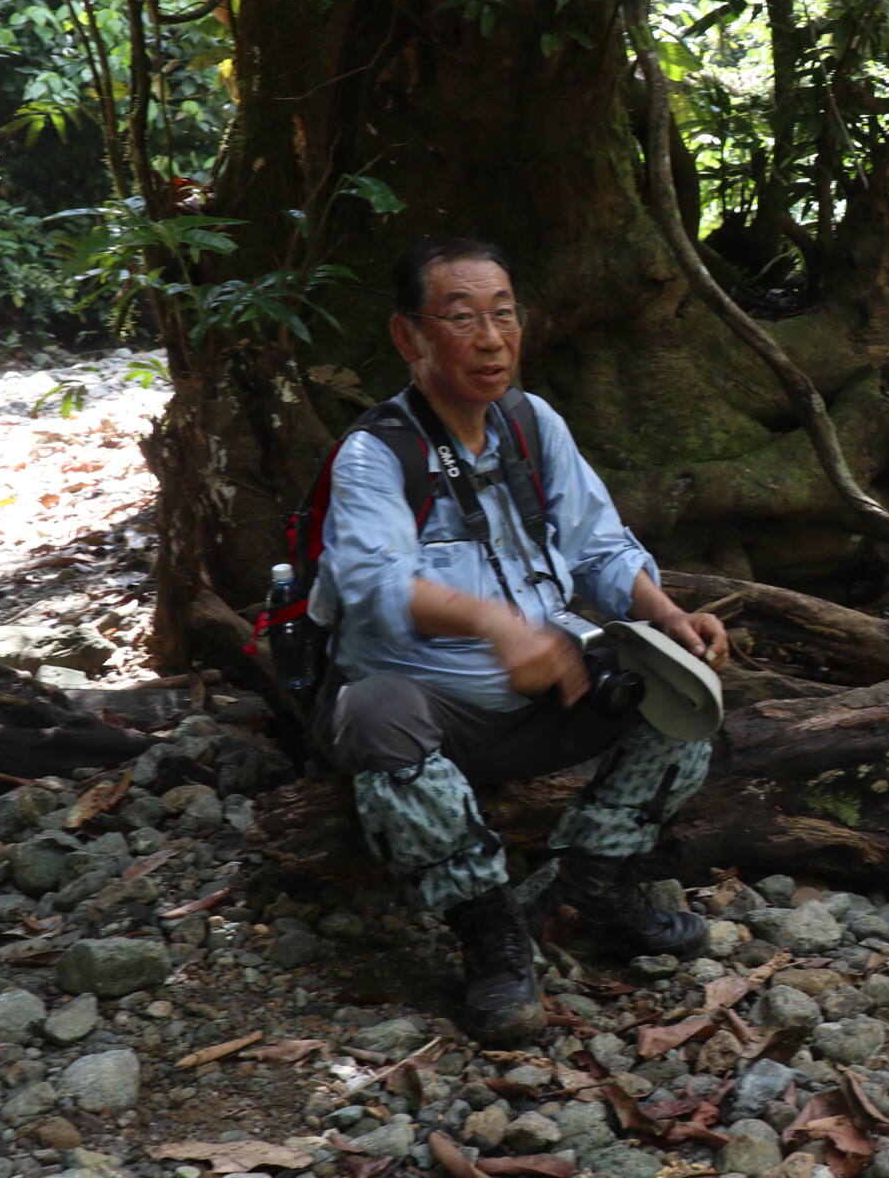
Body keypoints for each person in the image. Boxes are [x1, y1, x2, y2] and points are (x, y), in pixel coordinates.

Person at [312, 235, 729, 1042]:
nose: (491, 338)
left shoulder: (531, 425)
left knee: (684, 684)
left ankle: (597, 877)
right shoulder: (375, 454)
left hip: (552, 690)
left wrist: (667, 615)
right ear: (410, 337)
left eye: (503, 315)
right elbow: (371, 582)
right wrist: (495, 623)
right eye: (461, 317)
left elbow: (599, 546)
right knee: (372, 712)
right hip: (438, 706)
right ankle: (487, 932)